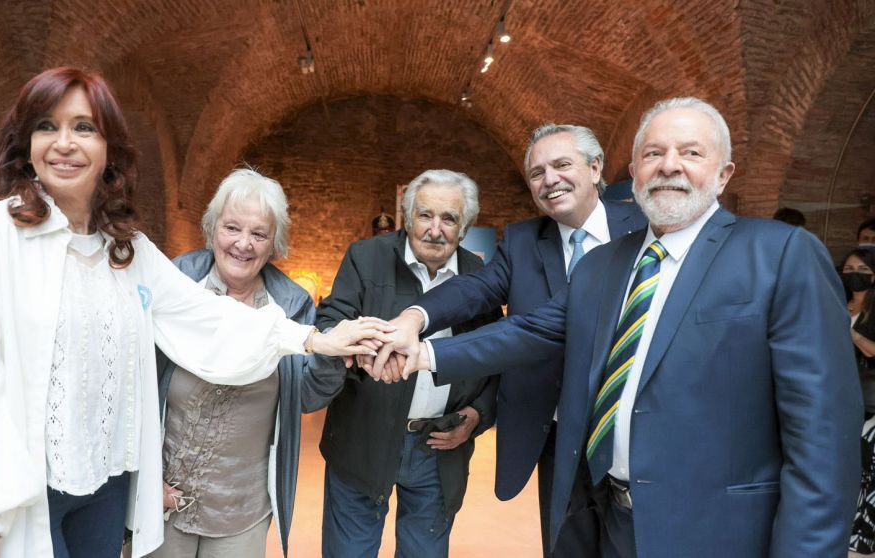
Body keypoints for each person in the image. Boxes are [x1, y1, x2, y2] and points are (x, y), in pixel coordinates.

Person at [0, 66, 390, 558]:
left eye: (84, 127)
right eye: (46, 126)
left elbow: (207, 317)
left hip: (107, 488)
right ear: (26, 143)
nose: (64, 143)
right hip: (23, 493)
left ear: (109, 150)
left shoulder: (127, 251)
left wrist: (316, 340)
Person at [378, 97, 861, 557]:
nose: (669, 165)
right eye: (653, 153)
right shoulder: (602, 265)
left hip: (714, 526)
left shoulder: (780, 255)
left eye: (690, 152)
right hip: (600, 510)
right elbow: (531, 330)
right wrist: (420, 350)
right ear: (632, 174)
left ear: (723, 173)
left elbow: (822, 441)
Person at [379, 123, 646, 556]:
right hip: (555, 433)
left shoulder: (645, 227)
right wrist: (415, 316)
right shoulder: (523, 240)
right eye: (537, 173)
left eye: (562, 165)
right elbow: (476, 290)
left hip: (630, 432)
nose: (549, 180)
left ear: (595, 167)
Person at [150, 169, 346, 557]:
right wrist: (143, 481)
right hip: (162, 497)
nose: (243, 244)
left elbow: (305, 396)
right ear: (212, 229)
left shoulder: (290, 306)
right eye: (232, 228)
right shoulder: (175, 283)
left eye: (259, 234)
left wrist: (330, 351)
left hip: (242, 508)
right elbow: (135, 386)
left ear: (274, 243)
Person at [316, 169, 502, 558]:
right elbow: (331, 321)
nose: (435, 229)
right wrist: (361, 346)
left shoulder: (480, 276)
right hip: (363, 439)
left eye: (449, 219)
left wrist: (477, 416)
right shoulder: (365, 258)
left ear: (465, 227)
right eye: (425, 215)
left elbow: (496, 356)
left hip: (439, 450)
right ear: (406, 217)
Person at [846, 248, 875, 555]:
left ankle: (863, 536)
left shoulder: (872, 310)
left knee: (868, 471)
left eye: (862, 268)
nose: (854, 273)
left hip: (869, 401)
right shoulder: (838, 300)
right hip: (842, 395)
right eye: (849, 267)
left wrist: (848, 330)